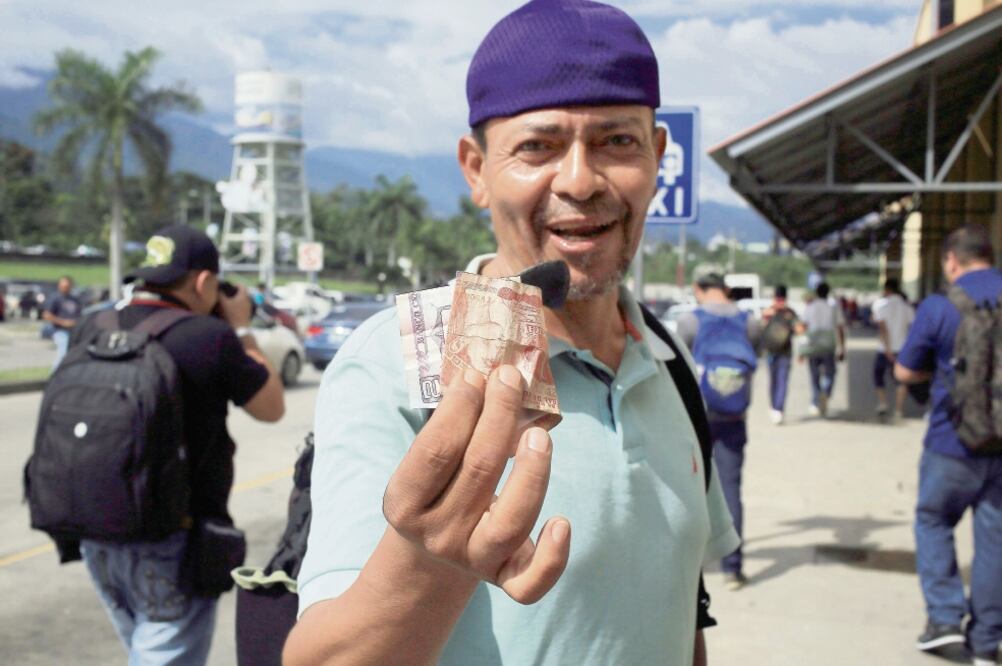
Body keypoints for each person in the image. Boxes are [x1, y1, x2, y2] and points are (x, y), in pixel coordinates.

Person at [285, 2, 739, 664]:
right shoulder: (397, 361)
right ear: (476, 169)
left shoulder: (668, 360)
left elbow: (676, 608)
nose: (581, 181)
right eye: (538, 147)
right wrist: (434, 559)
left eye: (617, 141)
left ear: (658, 157)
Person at [67, 224, 285, 665]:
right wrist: (240, 327)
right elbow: (271, 407)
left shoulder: (93, 324)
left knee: (143, 651)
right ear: (205, 281)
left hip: (94, 527)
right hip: (174, 538)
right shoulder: (208, 337)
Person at [894, 225, 1002, 666]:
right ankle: (987, 641)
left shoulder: (941, 305)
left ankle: (943, 621)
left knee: (934, 520)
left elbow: (904, 371)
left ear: (952, 261)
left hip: (950, 441)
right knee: (994, 540)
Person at [677, 273, 760, 590]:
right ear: (725, 289)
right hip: (734, 414)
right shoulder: (749, 320)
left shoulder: (689, 321)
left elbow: (678, 364)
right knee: (730, 488)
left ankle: (691, 565)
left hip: (697, 415)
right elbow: (756, 356)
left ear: (698, 289)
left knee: (690, 488)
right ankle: (732, 569)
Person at [801, 281, 846, 417]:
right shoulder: (833, 307)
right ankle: (825, 393)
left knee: (814, 375)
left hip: (812, 344)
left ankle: (815, 402)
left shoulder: (810, 307)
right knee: (830, 373)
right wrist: (842, 347)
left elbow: (804, 327)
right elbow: (840, 327)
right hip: (828, 345)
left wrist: (801, 349)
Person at [872, 278, 914, 420]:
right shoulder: (907, 307)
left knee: (879, 376)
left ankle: (883, 403)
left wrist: (888, 349)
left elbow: (883, 329)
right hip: (903, 348)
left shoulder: (883, 306)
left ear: (887, 290)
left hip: (884, 349)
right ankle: (898, 409)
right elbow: (912, 328)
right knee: (901, 380)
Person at [760, 284, 802, 425]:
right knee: (774, 381)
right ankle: (774, 407)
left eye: (780, 299)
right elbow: (760, 329)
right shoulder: (769, 312)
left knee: (781, 380)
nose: (779, 302)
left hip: (784, 352)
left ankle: (778, 408)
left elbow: (799, 330)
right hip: (772, 351)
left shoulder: (789, 313)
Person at [42, 275, 82, 369]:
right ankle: (54, 375)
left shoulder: (75, 300)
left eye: (67, 286)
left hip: (74, 331)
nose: (65, 288)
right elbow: (46, 315)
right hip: (60, 331)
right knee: (63, 352)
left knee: (74, 355)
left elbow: (80, 315)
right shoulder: (55, 298)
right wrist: (63, 322)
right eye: (63, 286)